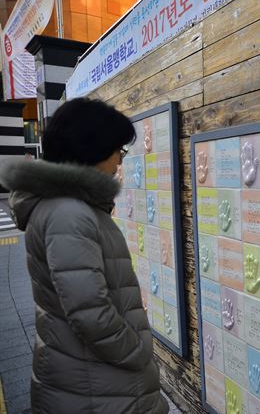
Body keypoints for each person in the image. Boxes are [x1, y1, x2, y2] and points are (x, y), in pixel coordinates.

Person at [0, 98, 169, 414]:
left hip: (88, 378)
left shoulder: (68, 206)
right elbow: (89, 312)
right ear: (91, 149)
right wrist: (136, 350)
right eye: (117, 150)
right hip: (96, 386)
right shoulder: (69, 213)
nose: (120, 161)